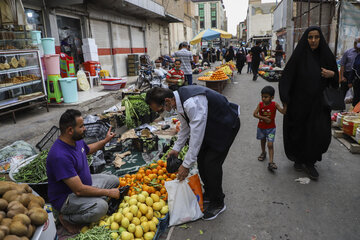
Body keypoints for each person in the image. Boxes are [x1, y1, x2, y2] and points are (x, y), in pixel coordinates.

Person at [145, 86, 240, 220]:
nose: (162, 113)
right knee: (201, 160)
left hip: (225, 125)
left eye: (161, 109)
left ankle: (218, 202)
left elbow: (196, 136)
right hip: (209, 126)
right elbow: (185, 128)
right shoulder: (177, 102)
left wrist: (186, 165)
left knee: (211, 164)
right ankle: (210, 193)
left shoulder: (191, 103)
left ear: (167, 100)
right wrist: (176, 149)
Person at [279, 26, 338, 180]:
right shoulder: (299, 56)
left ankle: (310, 163)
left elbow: (336, 79)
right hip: (299, 104)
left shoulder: (326, 56)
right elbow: (287, 77)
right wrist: (285, 99)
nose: (313, 41)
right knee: (299, 132)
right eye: (310, 37)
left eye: (316, 37)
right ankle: (299, 159)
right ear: (306, 39)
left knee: (317, 134)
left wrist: (331, 74)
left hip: (319, 106)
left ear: (320, 38)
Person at [47, 109, 119, 233]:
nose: (85, 129)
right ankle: (67, 218)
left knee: (114, 180)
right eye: (81, 126)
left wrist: (105, 141)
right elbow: (79, 190)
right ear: (70, 130)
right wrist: (107, 192)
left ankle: (95, 198)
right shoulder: (60, 156)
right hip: (67, 197)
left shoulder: (76, 140)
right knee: (101, 207)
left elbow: (88, 149)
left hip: (85, 184)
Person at [253, 86, 286, 171]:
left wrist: (285, 104)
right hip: (261, 128)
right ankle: (263, 152)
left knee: (270, 144)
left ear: (272, 97)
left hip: (271, 128)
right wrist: (264, 118)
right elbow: (255, 114)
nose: (263, 99)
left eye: (266, 97)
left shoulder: (275, 104)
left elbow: (283, 112)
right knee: (263, 140)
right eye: (262, 96)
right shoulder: (260, 104)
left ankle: (271, 162)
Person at [340, 37, 360, 105]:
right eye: (358, 42)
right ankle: (341, 108)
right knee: (343, 93)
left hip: (356, 76)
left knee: (356, 95)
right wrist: (342, 77)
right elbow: (342, 65)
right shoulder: (348, 52)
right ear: (355, 43)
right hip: (347, 74)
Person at [349, 42, 360, 107]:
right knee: (356, 100)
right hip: (357, 82)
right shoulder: (358, 56)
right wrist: (350, 81)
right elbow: (353, 69)